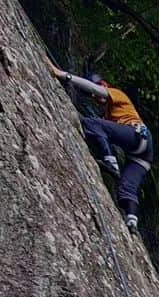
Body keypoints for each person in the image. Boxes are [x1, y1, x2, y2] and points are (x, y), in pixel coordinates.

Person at [47, 60, 153, 234]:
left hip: (138, 135)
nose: (96, 98)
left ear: (104, 84)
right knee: (127, 187)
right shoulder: (110, 114)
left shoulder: (117, 94)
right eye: (94, 99)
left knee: (91, 124)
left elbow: (94, 89)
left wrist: (62, 74)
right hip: (143, 153)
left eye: (99, 90)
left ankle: (110, 161)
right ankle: (132, 221)